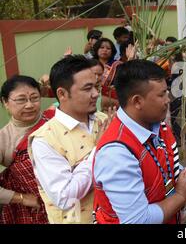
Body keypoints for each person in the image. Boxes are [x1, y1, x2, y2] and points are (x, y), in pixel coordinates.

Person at [92, 60, 186, 224]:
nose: (168, 100)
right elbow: (138, 220)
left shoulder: (158, 124)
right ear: (137, 101)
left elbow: (169, 167)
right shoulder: (116, 153)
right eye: (161, 95)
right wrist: (182, 196)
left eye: (167, 93)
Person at [28, 55, 109, 224]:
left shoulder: (103, 119)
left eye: (96, 86)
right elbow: (65, 197)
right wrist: (99, 150)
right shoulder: (45, 139)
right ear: (62, 94)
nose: (95, 94)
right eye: (87, 89)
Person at [0, 75, 55, 224]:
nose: (30, 105)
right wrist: (21, 198)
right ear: (5, 102)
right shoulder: (3, 139)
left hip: (75, 200)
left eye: (34, 98)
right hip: (36, 212)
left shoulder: (56, 120)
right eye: (21, 100)